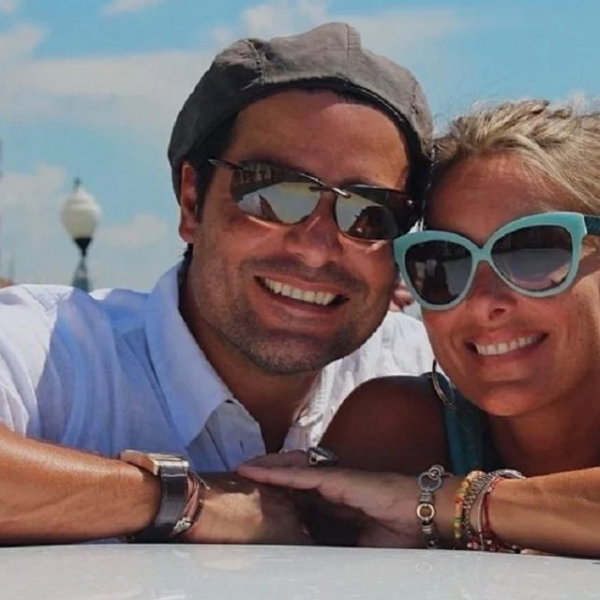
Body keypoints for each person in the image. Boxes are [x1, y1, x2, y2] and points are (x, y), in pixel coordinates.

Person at [0, 22, 435, 545]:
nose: (315, 247)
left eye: (370, 213)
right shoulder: (56, 356)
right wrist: (181, 500)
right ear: (192, 202)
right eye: (271, 193)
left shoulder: (426, 372)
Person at [239, 100, 600, 558]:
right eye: (443, 262)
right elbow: (274, 525)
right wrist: (174, 494)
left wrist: (439, 502)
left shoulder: (414, 483)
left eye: (535, 253)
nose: (482, 301)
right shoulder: (400, 430)